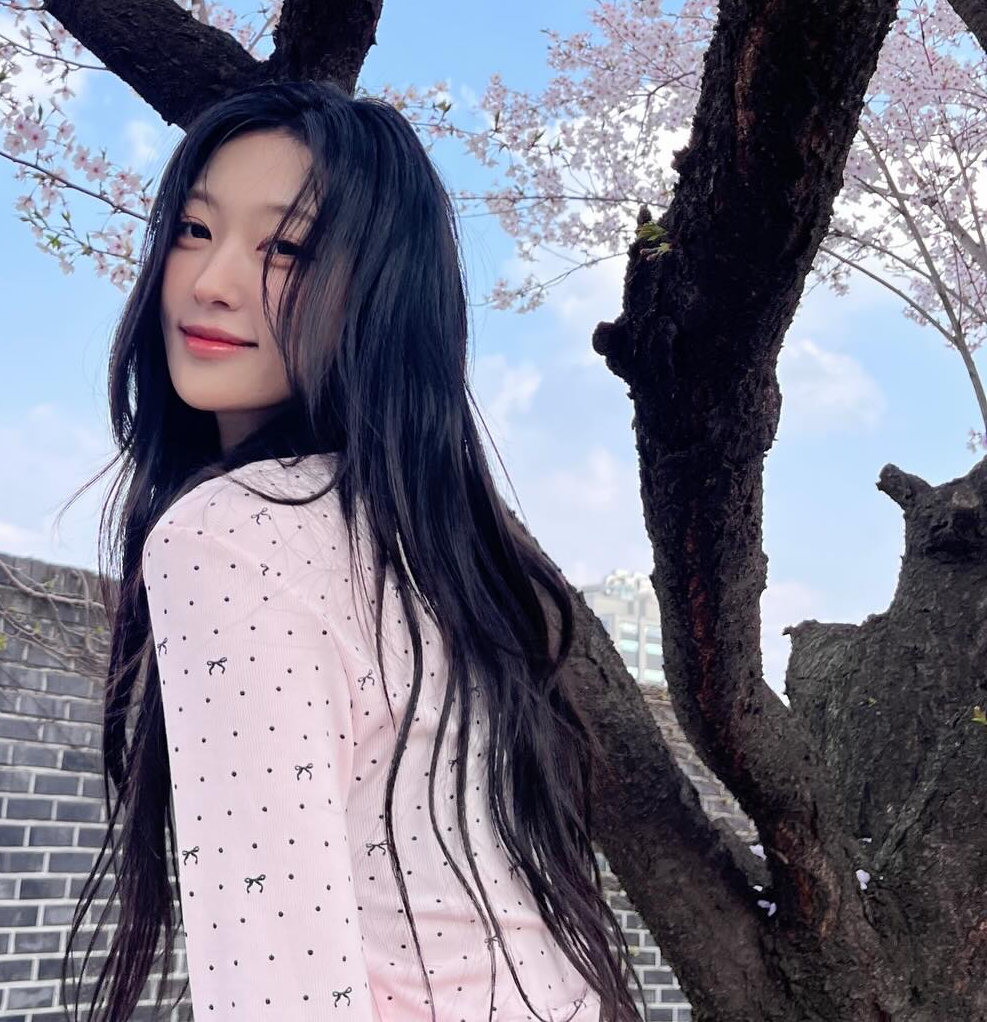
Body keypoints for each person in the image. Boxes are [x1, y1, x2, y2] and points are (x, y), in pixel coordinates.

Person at [62, 80, 643, 1022]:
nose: (212, 282)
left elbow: (279, 980)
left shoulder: (228, 534)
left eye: (286, 248)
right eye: (195, 230)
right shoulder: (432, 549)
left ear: (380, 295)